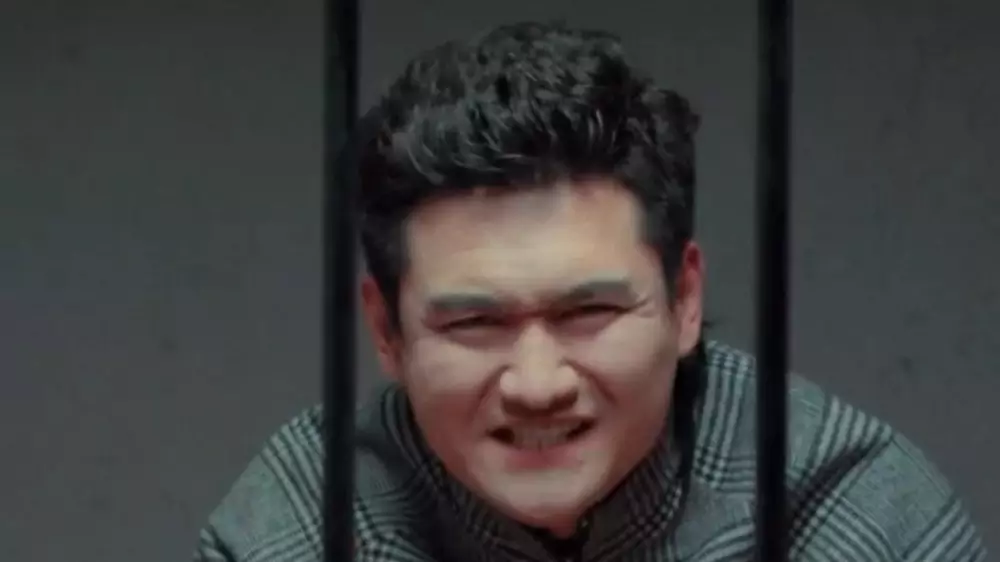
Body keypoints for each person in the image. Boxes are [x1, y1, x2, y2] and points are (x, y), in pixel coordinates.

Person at [193, 21, 986, 562]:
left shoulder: (849, 509)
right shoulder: (301, 523)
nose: (538, 385)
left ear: (684, 300)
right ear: (386, 331)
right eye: (473, 323)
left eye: (591, 311)